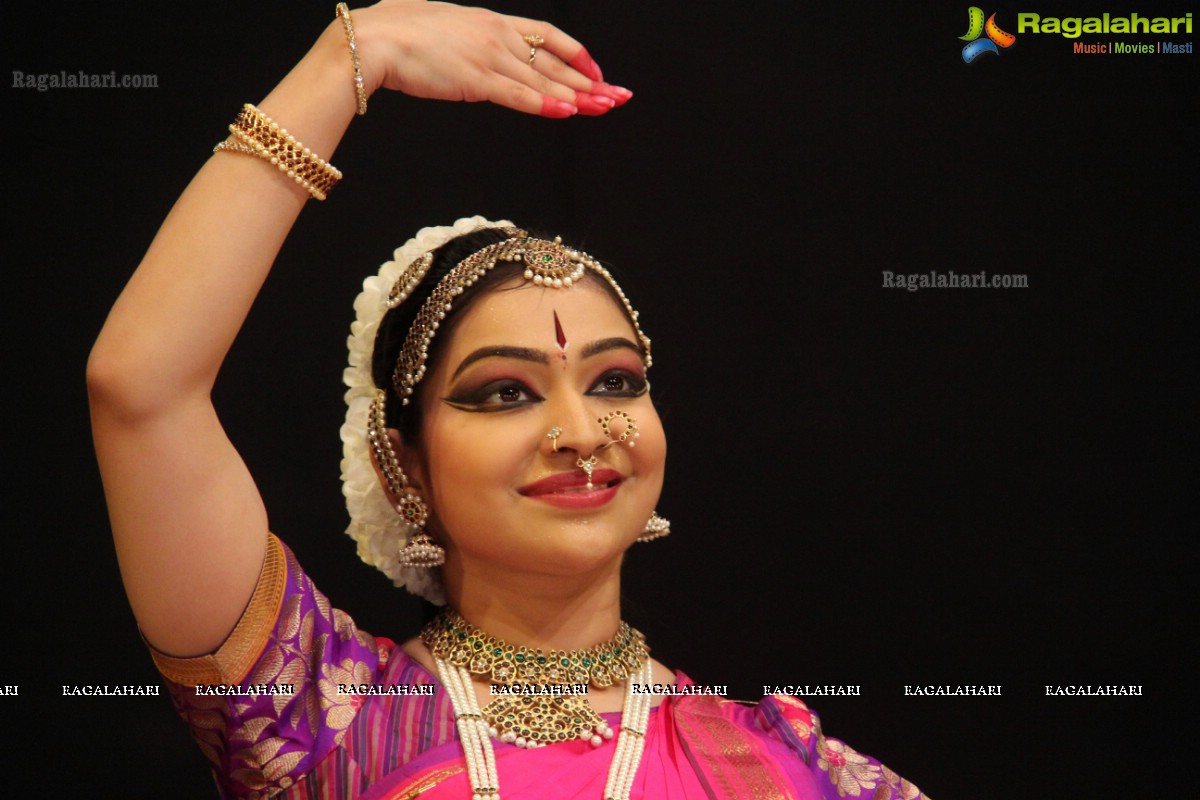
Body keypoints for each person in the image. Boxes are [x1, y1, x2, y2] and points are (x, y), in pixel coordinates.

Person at [88, 3, 930, 798]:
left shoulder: (781, 766)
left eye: (615, 382)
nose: (580, 432)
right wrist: (354, 52)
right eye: (504, 392)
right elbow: (141, 388)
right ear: (402, 460)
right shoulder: (325, 715)